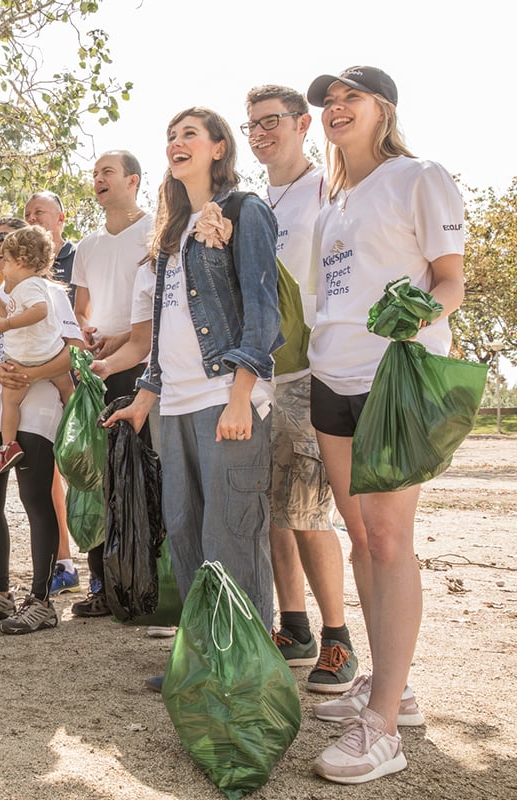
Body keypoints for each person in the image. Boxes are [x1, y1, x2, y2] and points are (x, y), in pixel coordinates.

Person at [304, 66, 464, 784]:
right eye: (329, 101)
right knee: (361, 537)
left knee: (391, 538)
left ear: (383, 109)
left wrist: (420, 315)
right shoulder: (333, 199)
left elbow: (450, 280)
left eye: (350, 98)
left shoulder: (418, 176)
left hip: (393, 375)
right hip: (330, 374)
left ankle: (384, 726)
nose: (337, 108)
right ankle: (387, 689)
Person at [104, 108, 282, 654]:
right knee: (184, 531)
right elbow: (164, 327)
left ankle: (245, 670)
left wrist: (240, 397)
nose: (176, 143)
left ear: (219, 148)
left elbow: (262, 312)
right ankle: (203, 661)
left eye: (189, 135)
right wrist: (145, 397)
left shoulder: (245, 211)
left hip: (225, 395)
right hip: (174, 404)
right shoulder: (171, 231)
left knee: (230, 535)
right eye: (170, 137)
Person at [244, 84, 355, 693]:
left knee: (309, 510)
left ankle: (338, 640)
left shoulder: (328, 189)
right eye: (251, 125)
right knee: (272, 512)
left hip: (312, 370)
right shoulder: (259, 201)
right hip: (260, 375)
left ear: (302, 124)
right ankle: (294, 627)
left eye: (271, 122)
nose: (260, 134)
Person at [0, 217, 82, 632]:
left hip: (38, 406)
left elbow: (75, 353)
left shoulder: (49, 293)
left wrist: (30, 375)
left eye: (2, 242)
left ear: (21, 254)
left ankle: (42, 599)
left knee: (35, 500)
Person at [73, 150, 156, 605]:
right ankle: (103, 584)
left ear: (133, 180)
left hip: (144, 370)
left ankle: (144, 585)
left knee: (139, 476)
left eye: (107, 171)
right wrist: (86, 329)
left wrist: (122, 339)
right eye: (94, 174)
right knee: (99, 477)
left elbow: (160, 313)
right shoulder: (87, 246)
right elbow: (81, 308)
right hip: (97, 373)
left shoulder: (156, 233)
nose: (98, 179)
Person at [0, 225, 74, 472]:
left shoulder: (30, 285)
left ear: (20, 261)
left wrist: (7, 324)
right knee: (65, 386)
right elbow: (9, 313)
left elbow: (39, 311)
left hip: (29, 357)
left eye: (7, 262)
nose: (4, 268)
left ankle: (7, 445)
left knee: (10, 401)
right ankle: (73, 419)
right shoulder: (21, 289)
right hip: (44, 356)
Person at [25, 191, 76, 300]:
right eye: (27, 215)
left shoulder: (79, 256)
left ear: (60, 218)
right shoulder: (23, 263)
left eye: (38, 212)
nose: (31, 218)